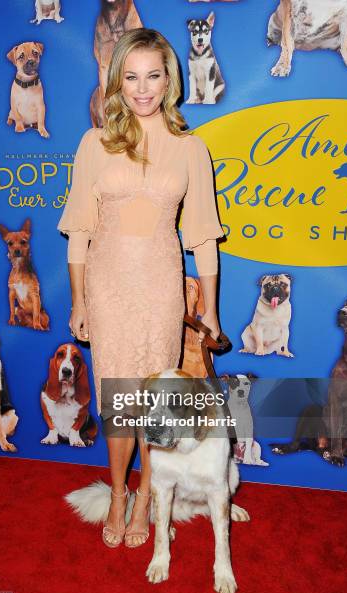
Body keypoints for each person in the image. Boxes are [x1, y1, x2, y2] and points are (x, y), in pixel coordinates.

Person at [57, 28, 224, 548]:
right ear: (116, 81)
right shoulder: (94, 143)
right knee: (119, 398)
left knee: (154, 402)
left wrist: (211, 313)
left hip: (159, 284)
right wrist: (80, 299)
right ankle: (116, 493)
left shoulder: (190, 148)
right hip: (107, 285)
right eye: (131, 76)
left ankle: (149, 496)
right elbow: (80, 229)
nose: (142, 88)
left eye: (153, 76)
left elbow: (202, 237)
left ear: (169, 80)